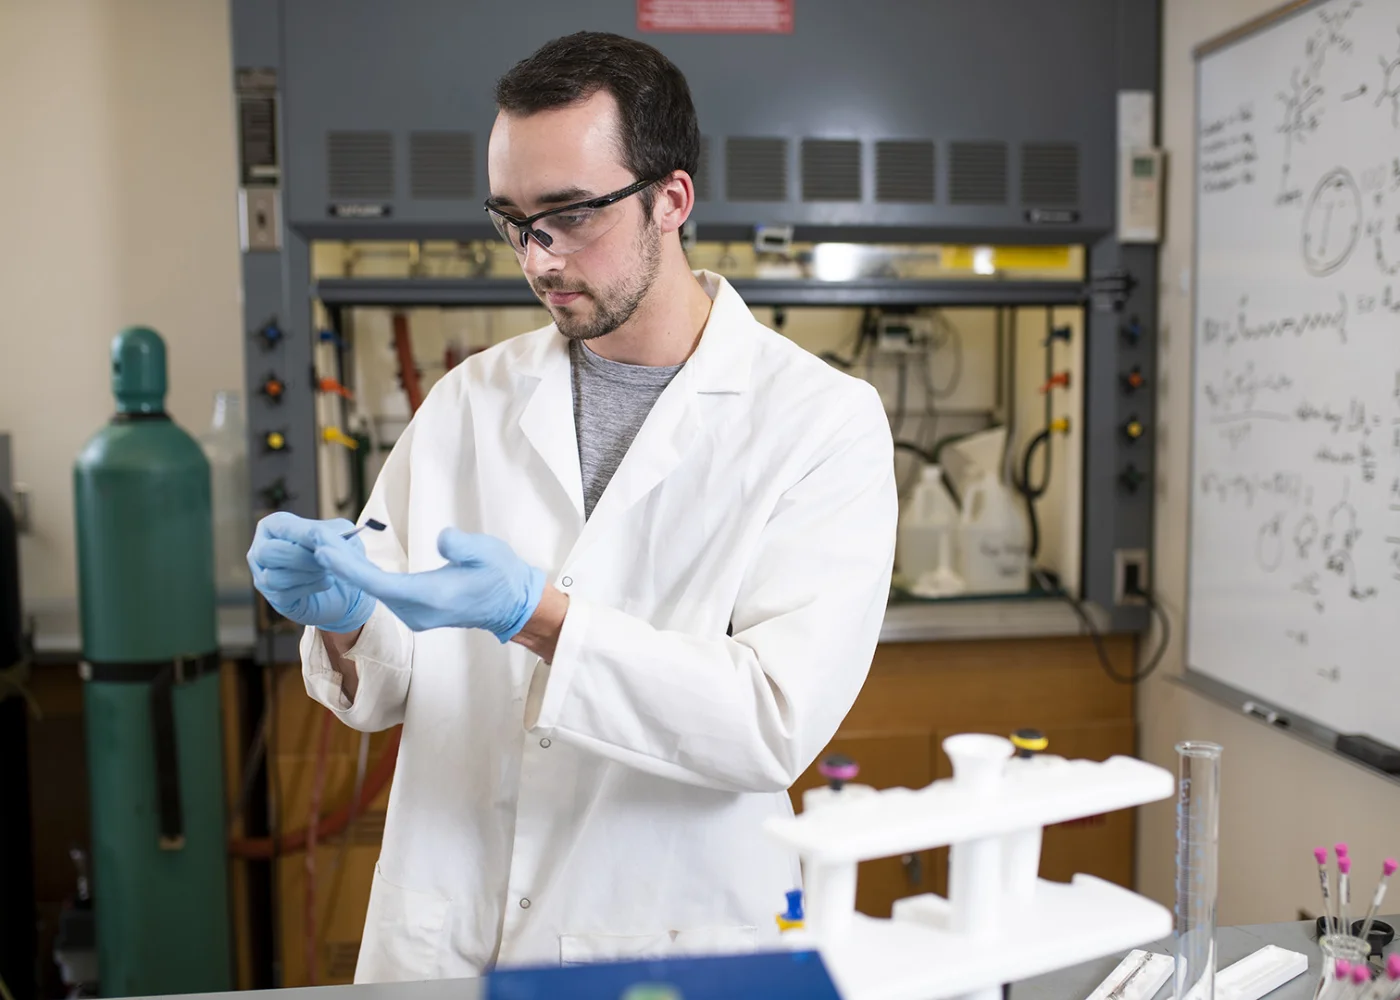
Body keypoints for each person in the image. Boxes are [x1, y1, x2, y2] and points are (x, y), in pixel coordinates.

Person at [246, 30, 896, 983]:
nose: (540, 255)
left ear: (670, 199)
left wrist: (542, 619)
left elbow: (770, 722)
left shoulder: (817, 422)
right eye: (513, 220)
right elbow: (385, 689)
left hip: (671, 940)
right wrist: (346, 620)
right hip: (447, 936)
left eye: (571, 214)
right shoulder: (472, 400)